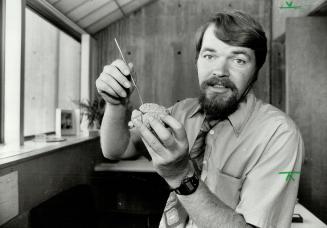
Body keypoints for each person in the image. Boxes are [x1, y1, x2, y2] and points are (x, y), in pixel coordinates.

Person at [96, 9, 304, 228]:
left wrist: (181, 175)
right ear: (197, 62)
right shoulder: (181, 112)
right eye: (209, 56)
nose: (220, 71)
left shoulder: (279, 134)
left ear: (255, 72)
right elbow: (117, 149)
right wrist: (116, 104)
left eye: (239, 60)